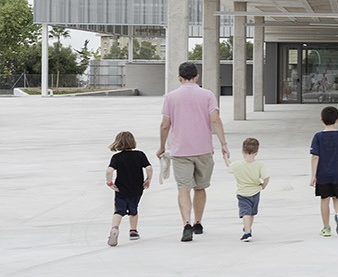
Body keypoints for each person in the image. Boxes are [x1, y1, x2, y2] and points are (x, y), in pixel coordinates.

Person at [158, 59, 229, 243]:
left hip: (180, 150)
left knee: (183, 189)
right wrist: (223, 143)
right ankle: (198, 222)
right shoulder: (207, 95)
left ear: (180, 78)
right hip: (204, 149)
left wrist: (162, 145)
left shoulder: (171, 97)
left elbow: (165, 125)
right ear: (197, 76)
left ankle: (186, 224)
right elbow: (215, 120)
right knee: (200, 187)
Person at [308, 105, 338, 236]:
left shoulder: (318, 137)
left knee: (324, 199)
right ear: (337, 120)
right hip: (337, 174)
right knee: (337, 198)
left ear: (321, 120)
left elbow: (315, 157)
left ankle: (326, 228)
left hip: (322, 175)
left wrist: (313, 175)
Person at [105, 129, 152, 246]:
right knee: (133, 210)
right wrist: (148, 179)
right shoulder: (140, 155)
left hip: (121, 188)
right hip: (137, 188)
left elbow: (109, 170)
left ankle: (114, 229)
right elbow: (149, 168)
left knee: (118, 210)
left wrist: (109, 182)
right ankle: (133, 231)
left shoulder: (117, 157)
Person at [229, 136, 269, 242]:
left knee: (245, 213)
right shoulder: (259, 165)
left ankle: (247, 233)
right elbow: (266, 177)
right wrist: (263, 185)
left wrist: (225, 157)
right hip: (255, 192)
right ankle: (248, 228)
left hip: (242, 193)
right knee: (251, 212)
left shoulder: (238, 165)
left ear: (243, 150)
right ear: (257, 152)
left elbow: (229, 167)